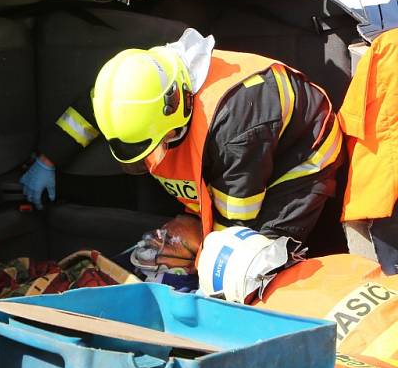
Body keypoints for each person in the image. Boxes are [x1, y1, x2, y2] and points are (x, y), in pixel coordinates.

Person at [20, 29, 344, 269]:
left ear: (177, 110)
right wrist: (48, 159)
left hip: (300, 160)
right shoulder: (132, 86)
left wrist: (198, 260)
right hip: (239, 152)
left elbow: (236, 224)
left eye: (156, 145)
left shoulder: (236, 127)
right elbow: (86, 115)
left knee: (254, 260)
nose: (152, 158)